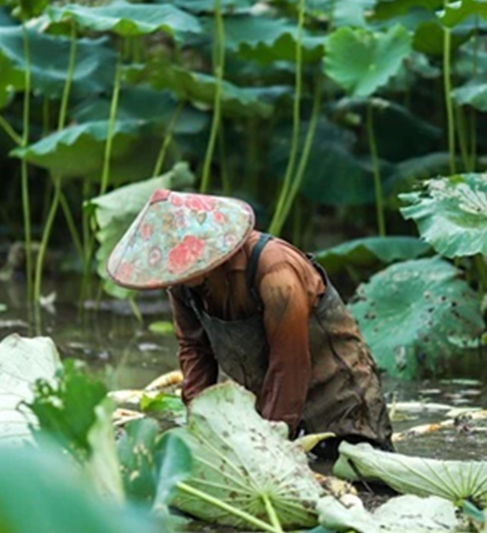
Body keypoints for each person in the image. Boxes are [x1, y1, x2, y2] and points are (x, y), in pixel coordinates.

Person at [106, 189, 393, 456]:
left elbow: (288, 364)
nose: (173, 275)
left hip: (343, 408)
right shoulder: (183, 286)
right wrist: (202, 427)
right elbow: (194, 351)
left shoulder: (275, 273)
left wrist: (266, 447)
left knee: (352, 481)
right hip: (268, 405)